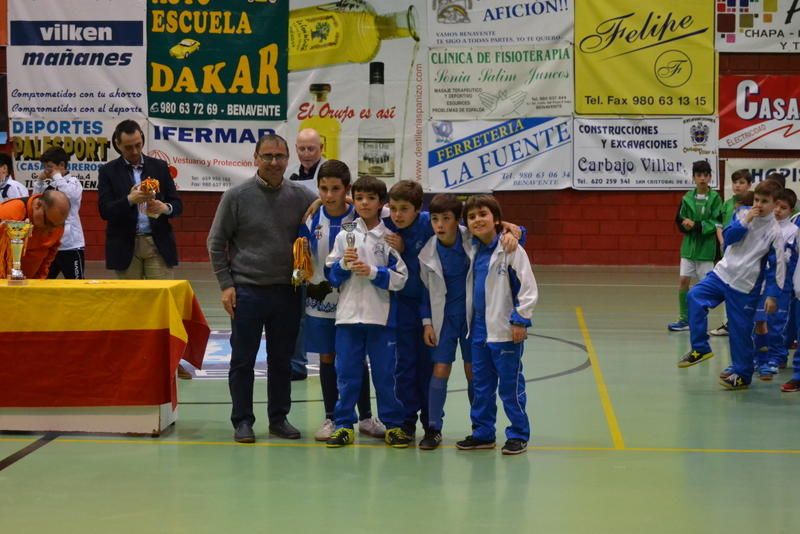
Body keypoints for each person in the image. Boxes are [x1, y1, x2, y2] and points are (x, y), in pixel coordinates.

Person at [207, 133, 317, 444]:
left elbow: (328, 210)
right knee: (242, 359)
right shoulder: (236, 196)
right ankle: (242, 420)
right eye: (267, 156)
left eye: (279, 156)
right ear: (255, 158)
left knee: (282, 360)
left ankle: (279, 419)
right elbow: (216, 243)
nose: (273, 162)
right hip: (247, 292)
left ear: (288, 159)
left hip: (287, 291)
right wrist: (226, 285)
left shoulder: (301, 196)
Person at [297, 160, 384, 441]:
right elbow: (301, 255)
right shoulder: (311, 218)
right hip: (320, 301)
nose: (329, 195)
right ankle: (331, 418)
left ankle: (367, 417)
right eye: (323, 188)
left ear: (347, 189)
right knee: (328, 357)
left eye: (336, 189)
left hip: (355, 300)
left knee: (357, 359)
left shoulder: (361, 216)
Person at [323, 175, 411, 448]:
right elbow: (331, 275)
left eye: (371, 198)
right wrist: (343, 268)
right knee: (347, 374)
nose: (364, 203)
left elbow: (401, 278)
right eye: (359, 198)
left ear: (381, 203)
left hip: (381, 318)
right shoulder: (343, 234)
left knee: (385, 375)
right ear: (353, 199)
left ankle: (393, 425)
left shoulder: (389, 238)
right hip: (348, 317)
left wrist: (373, 272)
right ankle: (344, 425)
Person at [678, 180, 786, 390]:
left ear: (775, 204)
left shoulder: (775, 233)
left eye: (765, 201)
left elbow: (777, 267)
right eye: (757, 199)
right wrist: (745, 220)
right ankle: (700, 348)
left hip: (745, 286)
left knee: (740, 331)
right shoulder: (742, 214)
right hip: (722, 274)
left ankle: (742, 375)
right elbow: (728, 239)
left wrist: (773, 295)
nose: (759, 204)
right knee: (695, 296)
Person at [455, 195, 538, 456]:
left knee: (510, 386)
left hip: (505, 330)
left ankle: (518, 433)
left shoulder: (511, 249)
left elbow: (528, 288)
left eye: (483, 214)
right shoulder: (471, 247)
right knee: (481, 385)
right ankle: (483, 432)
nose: (477, 220)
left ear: (496, 220)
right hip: (478, 330)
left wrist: (520, 319)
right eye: (472, 217)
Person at [418, 194, 474, 450]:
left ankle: (481, 426)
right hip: (444, 320)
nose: (440, 224)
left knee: (474, 371)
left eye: (446, 219)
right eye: (435, 219)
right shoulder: (427, 252)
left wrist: (515, 230)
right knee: (440, 370)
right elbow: (424, 292)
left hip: (473, 318)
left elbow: (508, 234)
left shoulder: (472, 240)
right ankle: (433, 427)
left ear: (457, 220)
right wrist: (427, 322)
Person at [98, 120, 183, 280]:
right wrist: (129, 200)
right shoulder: (107, 171)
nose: (135, 151)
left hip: (157, 243)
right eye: (128, 147)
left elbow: (177, 204)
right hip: (125, 246)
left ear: (142, 139)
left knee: (160, 297)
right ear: (118, 144)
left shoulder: (160, 167)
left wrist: (165, 208)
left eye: (138, 144)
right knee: (130, 301)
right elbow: (104, 210)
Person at [288, 128, 325, 380]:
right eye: (301, 148)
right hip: (300, 256)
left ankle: (334, 360)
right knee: (297, 311)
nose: (306, 153)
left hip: (327, 253)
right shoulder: (290, 176)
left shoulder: (334, 173)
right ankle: (297, 365)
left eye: (311, 148)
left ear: (321, 148)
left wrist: (319, 201)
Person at [668, 160, 722, 332]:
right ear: (693, 178)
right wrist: (685, 224)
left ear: (710, 177)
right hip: (689, 247)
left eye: (705, 175)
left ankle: (699, 319)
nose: (702, 179)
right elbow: (679, 218)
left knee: (704, 286)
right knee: (684, 281)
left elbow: (717, 221)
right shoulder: (687, 198)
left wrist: (698, 226)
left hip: (706, 249)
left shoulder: (715, 198)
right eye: (698, 175)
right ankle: (684, 319)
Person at [751, 188, 798, 380]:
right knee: (760, 321)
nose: (778, 210)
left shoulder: (794, 231)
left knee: (776, 322)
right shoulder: (765, 226)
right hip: (763, 281)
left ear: (791, 210)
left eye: (783, 208)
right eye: (776, 206)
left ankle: (778, 356)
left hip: (784, 283)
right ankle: (760, 357)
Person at [710, 169, 753, 337]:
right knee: (728, 285)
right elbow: (719, 225)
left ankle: (749, 323)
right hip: (729, 248)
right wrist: (722, 242)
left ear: (749, 185)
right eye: (735, 182)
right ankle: (729, 324)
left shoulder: (753, 204)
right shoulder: (727, 204)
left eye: (742, 182)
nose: (738, 186)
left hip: (747, 253)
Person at [32, 147, 86, 279]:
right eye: (45, 167)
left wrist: (57, 176)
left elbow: (70, 196)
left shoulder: (74, 183)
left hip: (71, 246)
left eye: (50, 167)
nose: (47, 171)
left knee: (76, 286)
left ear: (62, 165)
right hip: (51, 245)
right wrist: (39, 182)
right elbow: (35, 203)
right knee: (44, 282)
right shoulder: (49, 186)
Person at [0, 190, 69, 279]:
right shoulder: (9, 213)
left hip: (30, 285)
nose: (50, 230)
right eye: (48, 223)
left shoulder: (57, 225)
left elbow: (48, 259)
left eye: (56, 226)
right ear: (37, 206)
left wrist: (39, 281)